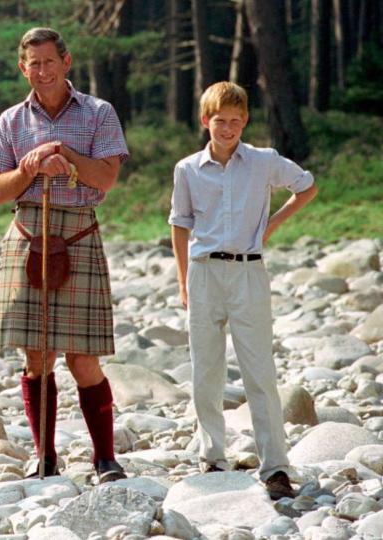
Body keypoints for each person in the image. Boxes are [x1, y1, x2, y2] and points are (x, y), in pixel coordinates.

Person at [0, 27, 129, 483]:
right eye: (34, 64)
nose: (42, 72)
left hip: (80, 232)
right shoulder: (10, 120)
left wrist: (61, 151)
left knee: (83, 357)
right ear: (22, 68)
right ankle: (44, 457)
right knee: (37, 355)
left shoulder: (99, 113)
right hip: (27, 233)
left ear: (66, 62)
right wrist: (29, 167)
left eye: (50, 62)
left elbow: (105, 179)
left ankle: (105, 458)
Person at [169, 81, 317, 500]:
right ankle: (213, 457)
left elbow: (306, 186)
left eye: (236, 121)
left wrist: (269, 226)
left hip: (249, 273)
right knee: (206, 370)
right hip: (203, 273)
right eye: (220, 121)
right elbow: (179, 223)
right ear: (205, 121)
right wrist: (182, 279)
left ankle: (275, 467)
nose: (228, 128)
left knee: (260, 372)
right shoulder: (187, 169)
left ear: (246, 120)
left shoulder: (263, 161)